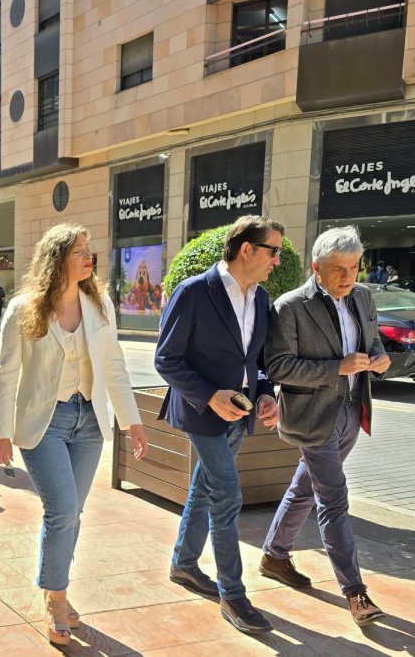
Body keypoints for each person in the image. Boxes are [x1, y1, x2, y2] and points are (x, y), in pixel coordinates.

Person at [0, 224, 149, 645]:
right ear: (57, 256)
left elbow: (114, 366)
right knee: (62, 511)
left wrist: (131, 421)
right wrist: (0, 432)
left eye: (89, 250)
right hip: (46, 423)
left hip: (89, 422)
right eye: (80, 250)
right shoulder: (25, 308)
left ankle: (53, 584)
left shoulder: (99, 305)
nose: (89, 257)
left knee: (71, 514)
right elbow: (6, 375)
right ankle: (57, 598)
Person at [154, 215, 283, 634]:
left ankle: (184, 564)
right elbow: (166, 359)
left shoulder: (260, 298)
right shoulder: (194, 292)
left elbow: (257, 362)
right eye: (273, 251)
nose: (277, 261)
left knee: (205, 487)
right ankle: (233, 595)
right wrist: (210, 395)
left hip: (240, 412)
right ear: (246, 249)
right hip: (200, 411)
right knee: (227, 495)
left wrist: (264, 393)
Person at [260, 226, 390, 625]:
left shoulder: (363, 296)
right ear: (316, 267)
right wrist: (336, 368)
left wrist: (381, 360)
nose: (348, 276)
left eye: (354, 267)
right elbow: (278, 366)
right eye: (338, 269)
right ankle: (355, 591)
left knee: (305, 486)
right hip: (312, 416)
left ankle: (273, 555)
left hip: (353, 409)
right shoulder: (290, 306)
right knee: (333, 498)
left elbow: (374, 342)